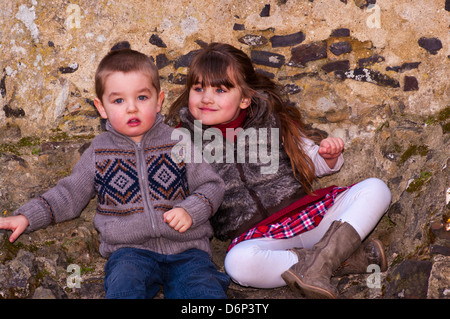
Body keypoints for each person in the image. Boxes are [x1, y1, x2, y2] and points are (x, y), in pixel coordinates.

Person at [0, 47, 229, 299]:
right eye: (119, 100)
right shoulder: (99, 151)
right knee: (123, 289)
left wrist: (190, 210)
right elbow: (68, 196)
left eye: (142, 97)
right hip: (129, 252)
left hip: (188, 250)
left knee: (204, 292)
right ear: (102, 107)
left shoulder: (179, 142)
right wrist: (26, 217)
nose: (131, 108)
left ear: (159, 100)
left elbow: (212, 185)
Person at [166, 42, 392, 299]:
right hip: (260, 239)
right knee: (238, 265)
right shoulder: (183, 141)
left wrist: (328, 157)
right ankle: (334, 262)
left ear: (244, 99)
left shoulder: (271, 121)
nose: (206, 98)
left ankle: (322, 262)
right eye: (198, 88)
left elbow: (310, 161)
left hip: (313, 219)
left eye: (220, 90)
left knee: (376, 188)